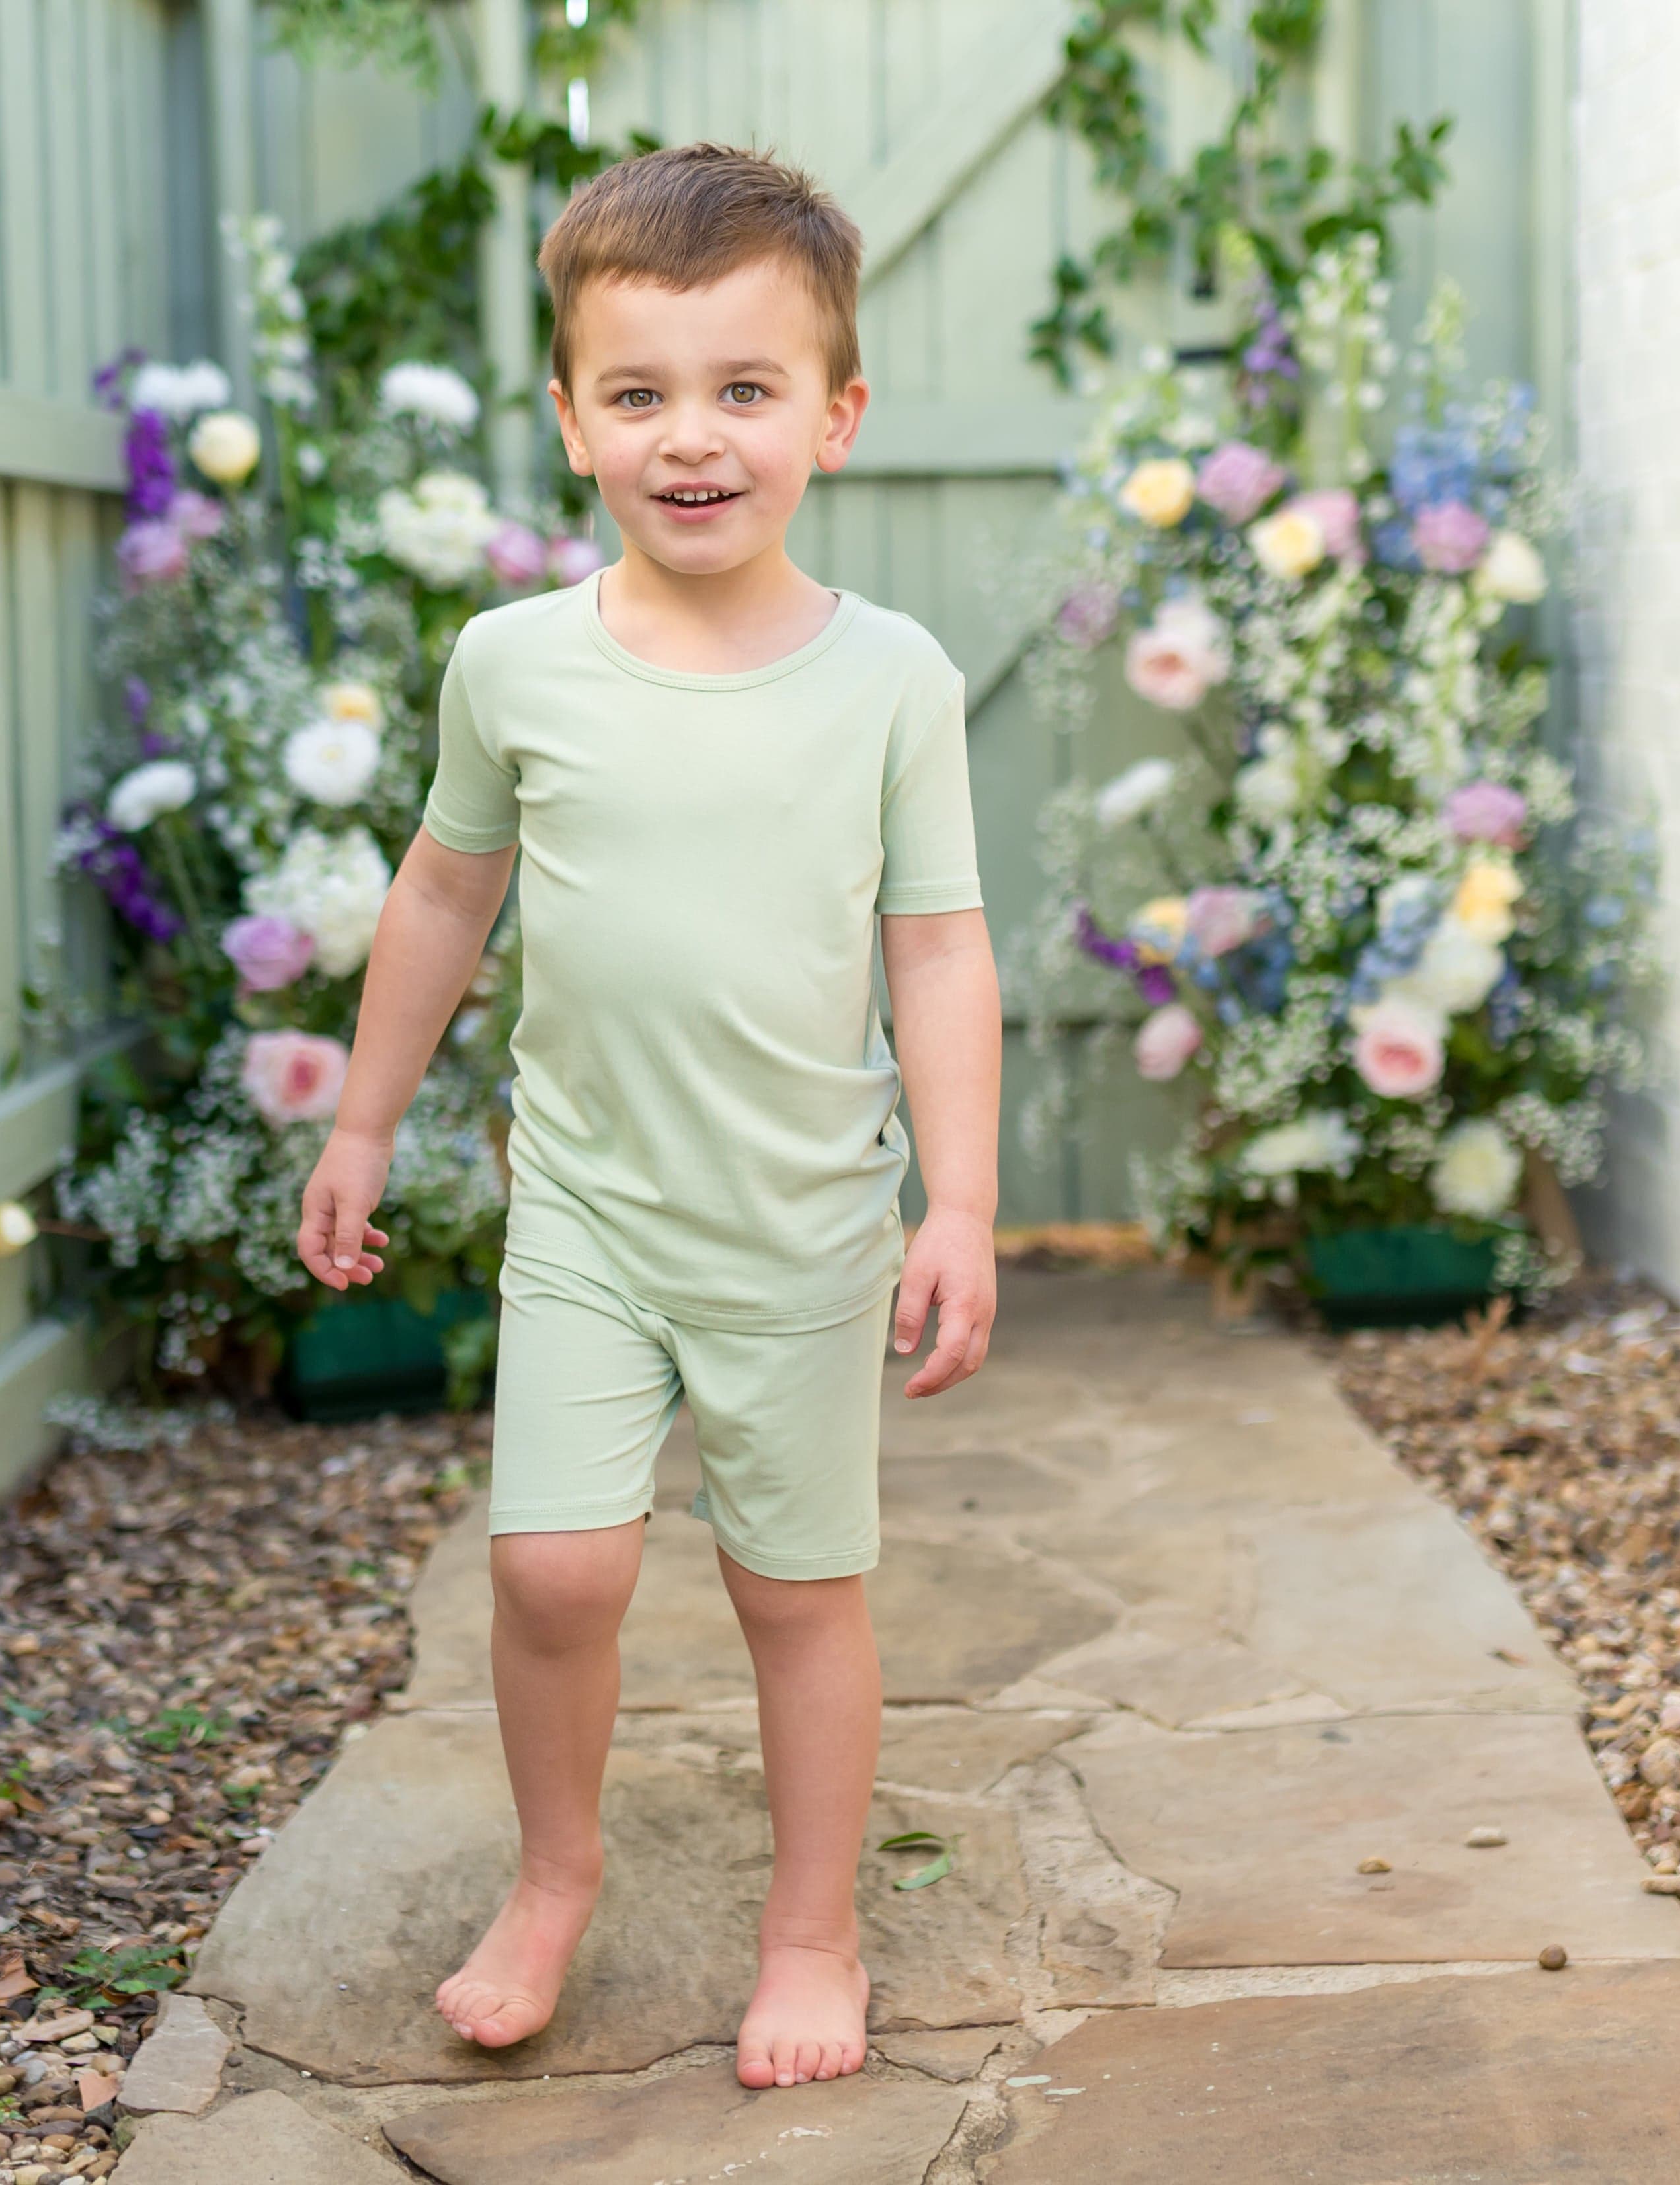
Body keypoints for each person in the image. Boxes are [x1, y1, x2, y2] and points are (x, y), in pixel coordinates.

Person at [296, 142, 1000, 2093]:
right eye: (642, 393)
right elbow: (445, 893)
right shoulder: (511, 665)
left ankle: (813, 1931)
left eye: (746, 389)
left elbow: (938, 950)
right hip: (590, 1212)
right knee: (554, 1570)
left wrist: (961, 1207)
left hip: (800, 1224)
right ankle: (553, 1875)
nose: (694, 439)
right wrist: (362, 1125)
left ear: (835, 416)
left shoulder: (891, 681)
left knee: (795, 1591)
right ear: (571, 422)